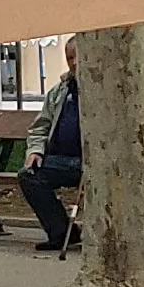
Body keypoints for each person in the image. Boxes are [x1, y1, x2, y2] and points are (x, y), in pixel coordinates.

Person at [18, 61, 86, 254]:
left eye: (77, 56)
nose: (73, 62)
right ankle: (62, 232)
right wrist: (35, 151)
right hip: (61, 160)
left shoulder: (103, 88)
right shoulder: (59, 90)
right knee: (29, 175)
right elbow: (40, 127)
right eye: (69, 57)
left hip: (92, 161)